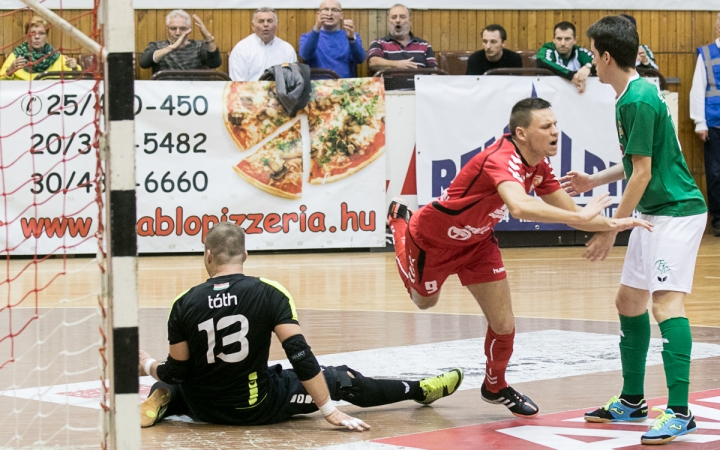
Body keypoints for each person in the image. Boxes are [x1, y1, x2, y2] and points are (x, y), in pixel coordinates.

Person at [387, 98, 652, 419]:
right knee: (423, 302)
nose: (555, 132)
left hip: (478, 243)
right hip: (432, 240)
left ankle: (495, 385)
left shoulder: (539, 167)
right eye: (546, 127)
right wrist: (587, 218)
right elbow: (520, 207)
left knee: (505, 324)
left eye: (556, 124)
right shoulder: (501, 158)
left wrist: (614, 225)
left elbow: (573, 214)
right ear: (521, 133)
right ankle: (400, 225)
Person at [138, 222, 463, 429]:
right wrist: (327, 409)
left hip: (201, 406)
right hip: (255, 406)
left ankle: (159, 398)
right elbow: (300, 355)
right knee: (342, 378)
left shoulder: (184, 302)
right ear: (245, 254)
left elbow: (177, 369)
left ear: (207, 255)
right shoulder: (269, 292)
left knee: (176, 381)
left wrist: (148, 365)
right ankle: (421, 390)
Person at [562, 15, 708, 445]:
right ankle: (632, 399)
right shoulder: (633, 93)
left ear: (607, 57)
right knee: (629, 301)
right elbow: (635, 163)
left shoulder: (637, 100)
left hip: (676, 212)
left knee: (665, 306)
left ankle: (680, 412)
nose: (590, 60)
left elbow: (641, 174)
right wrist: (594, 182)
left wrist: (611, 227)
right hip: (653, 211)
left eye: (592, 53)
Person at [690, 12, 720, 237]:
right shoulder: (707, 54)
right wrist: (700, 121)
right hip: (714, 122)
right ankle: (718, 220)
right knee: (715, 173)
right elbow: (698, 89)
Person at [139, 10, 221, 74]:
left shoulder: (198, 46)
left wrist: (208, 38)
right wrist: (171, 48)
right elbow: (144, 63)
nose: (178, 33)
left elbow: (215, 63)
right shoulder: (157, 46)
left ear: (189, 30)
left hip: (193, 91)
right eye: (173, 28)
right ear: (167, 29)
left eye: (182, 28)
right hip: (164, 92)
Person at [298, 0, 365, 78]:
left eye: (334, 10)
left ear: (341, 15)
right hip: (317, 87)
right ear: (319, 15)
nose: (330, 14)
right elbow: (305, 56)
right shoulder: (306, 37)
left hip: (344, 87)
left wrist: (351, 40)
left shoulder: (352, 36)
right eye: (326, 9)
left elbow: (360, 59)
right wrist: (316, 28)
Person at [228, 7, 297, 82]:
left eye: (270, 21)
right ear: (253, 26)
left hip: (281, 93)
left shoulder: (287, 49)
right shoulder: (241, 49)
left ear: (277, 25)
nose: (266, 24)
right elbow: (238, 84)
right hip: (250, 92)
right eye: (261, 21)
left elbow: (294, 81)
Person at [0, 16, 80, 80]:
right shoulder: (16, 56)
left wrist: (75, 67)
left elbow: (77, 78)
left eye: (41, 33)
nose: (37, 37)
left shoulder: (56, 56)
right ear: (27, 36)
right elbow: (1, 80)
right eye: (33, 33)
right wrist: (10, 70)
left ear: (46, 37)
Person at [366, 4, 437, 74]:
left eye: (402, 17)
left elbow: (434, 71)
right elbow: (373, 63)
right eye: (393, 17)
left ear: (410, 22)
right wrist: (398, 65)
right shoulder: (379, 43)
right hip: (390, 85)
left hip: (419, 85)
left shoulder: (424, 45)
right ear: (388, 22)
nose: (398, 20)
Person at [536, 21, 594, 93]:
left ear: (575, 40)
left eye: (567, 39)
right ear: (554, 39)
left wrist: (588, 66)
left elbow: (597, 61)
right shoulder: (547, 49)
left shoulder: (580, 52)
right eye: (559, 39)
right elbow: (541, 61)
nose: (563, 43)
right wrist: (572, 75)